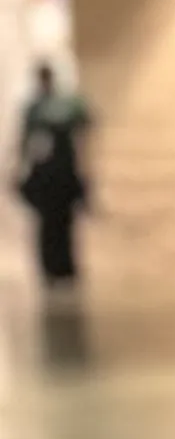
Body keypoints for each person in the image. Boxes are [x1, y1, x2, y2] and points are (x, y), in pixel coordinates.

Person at [15, 54, 92, 288]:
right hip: (47, 173)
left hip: (63, 170)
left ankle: (63, 269)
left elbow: (84, 132)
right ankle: (52, 269)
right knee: (49, 224)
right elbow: (25, 142)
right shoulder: (36, 107)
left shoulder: (64, 105)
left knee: (62, 224)